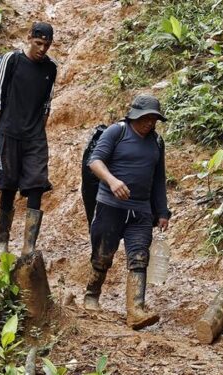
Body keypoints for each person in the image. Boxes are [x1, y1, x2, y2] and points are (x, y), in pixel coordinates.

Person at [83, 94, 171, 330]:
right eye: (146, 118)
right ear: (134, 115)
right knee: (103, 255)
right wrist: (112, 181)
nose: (149, 123)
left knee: (139, 257)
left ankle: (135, 310)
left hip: (141, 211)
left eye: (154, 119)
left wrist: (162, 211)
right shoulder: (116, 132)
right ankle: (92, 294)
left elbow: (158, 180)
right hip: (110, 205)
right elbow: (95, 161)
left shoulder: (157, 142)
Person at [0, 22, 57, 255]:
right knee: (8, 186)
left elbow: (47, 104)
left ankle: (29, 246)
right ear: (29, 38)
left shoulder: (50, 68)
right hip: (8, 132)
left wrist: (39, 131)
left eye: (46, 45)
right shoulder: (11, 61)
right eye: (38, 43)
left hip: (34, 136)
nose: (42, 49)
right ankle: (2, 240)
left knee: (36, 185)